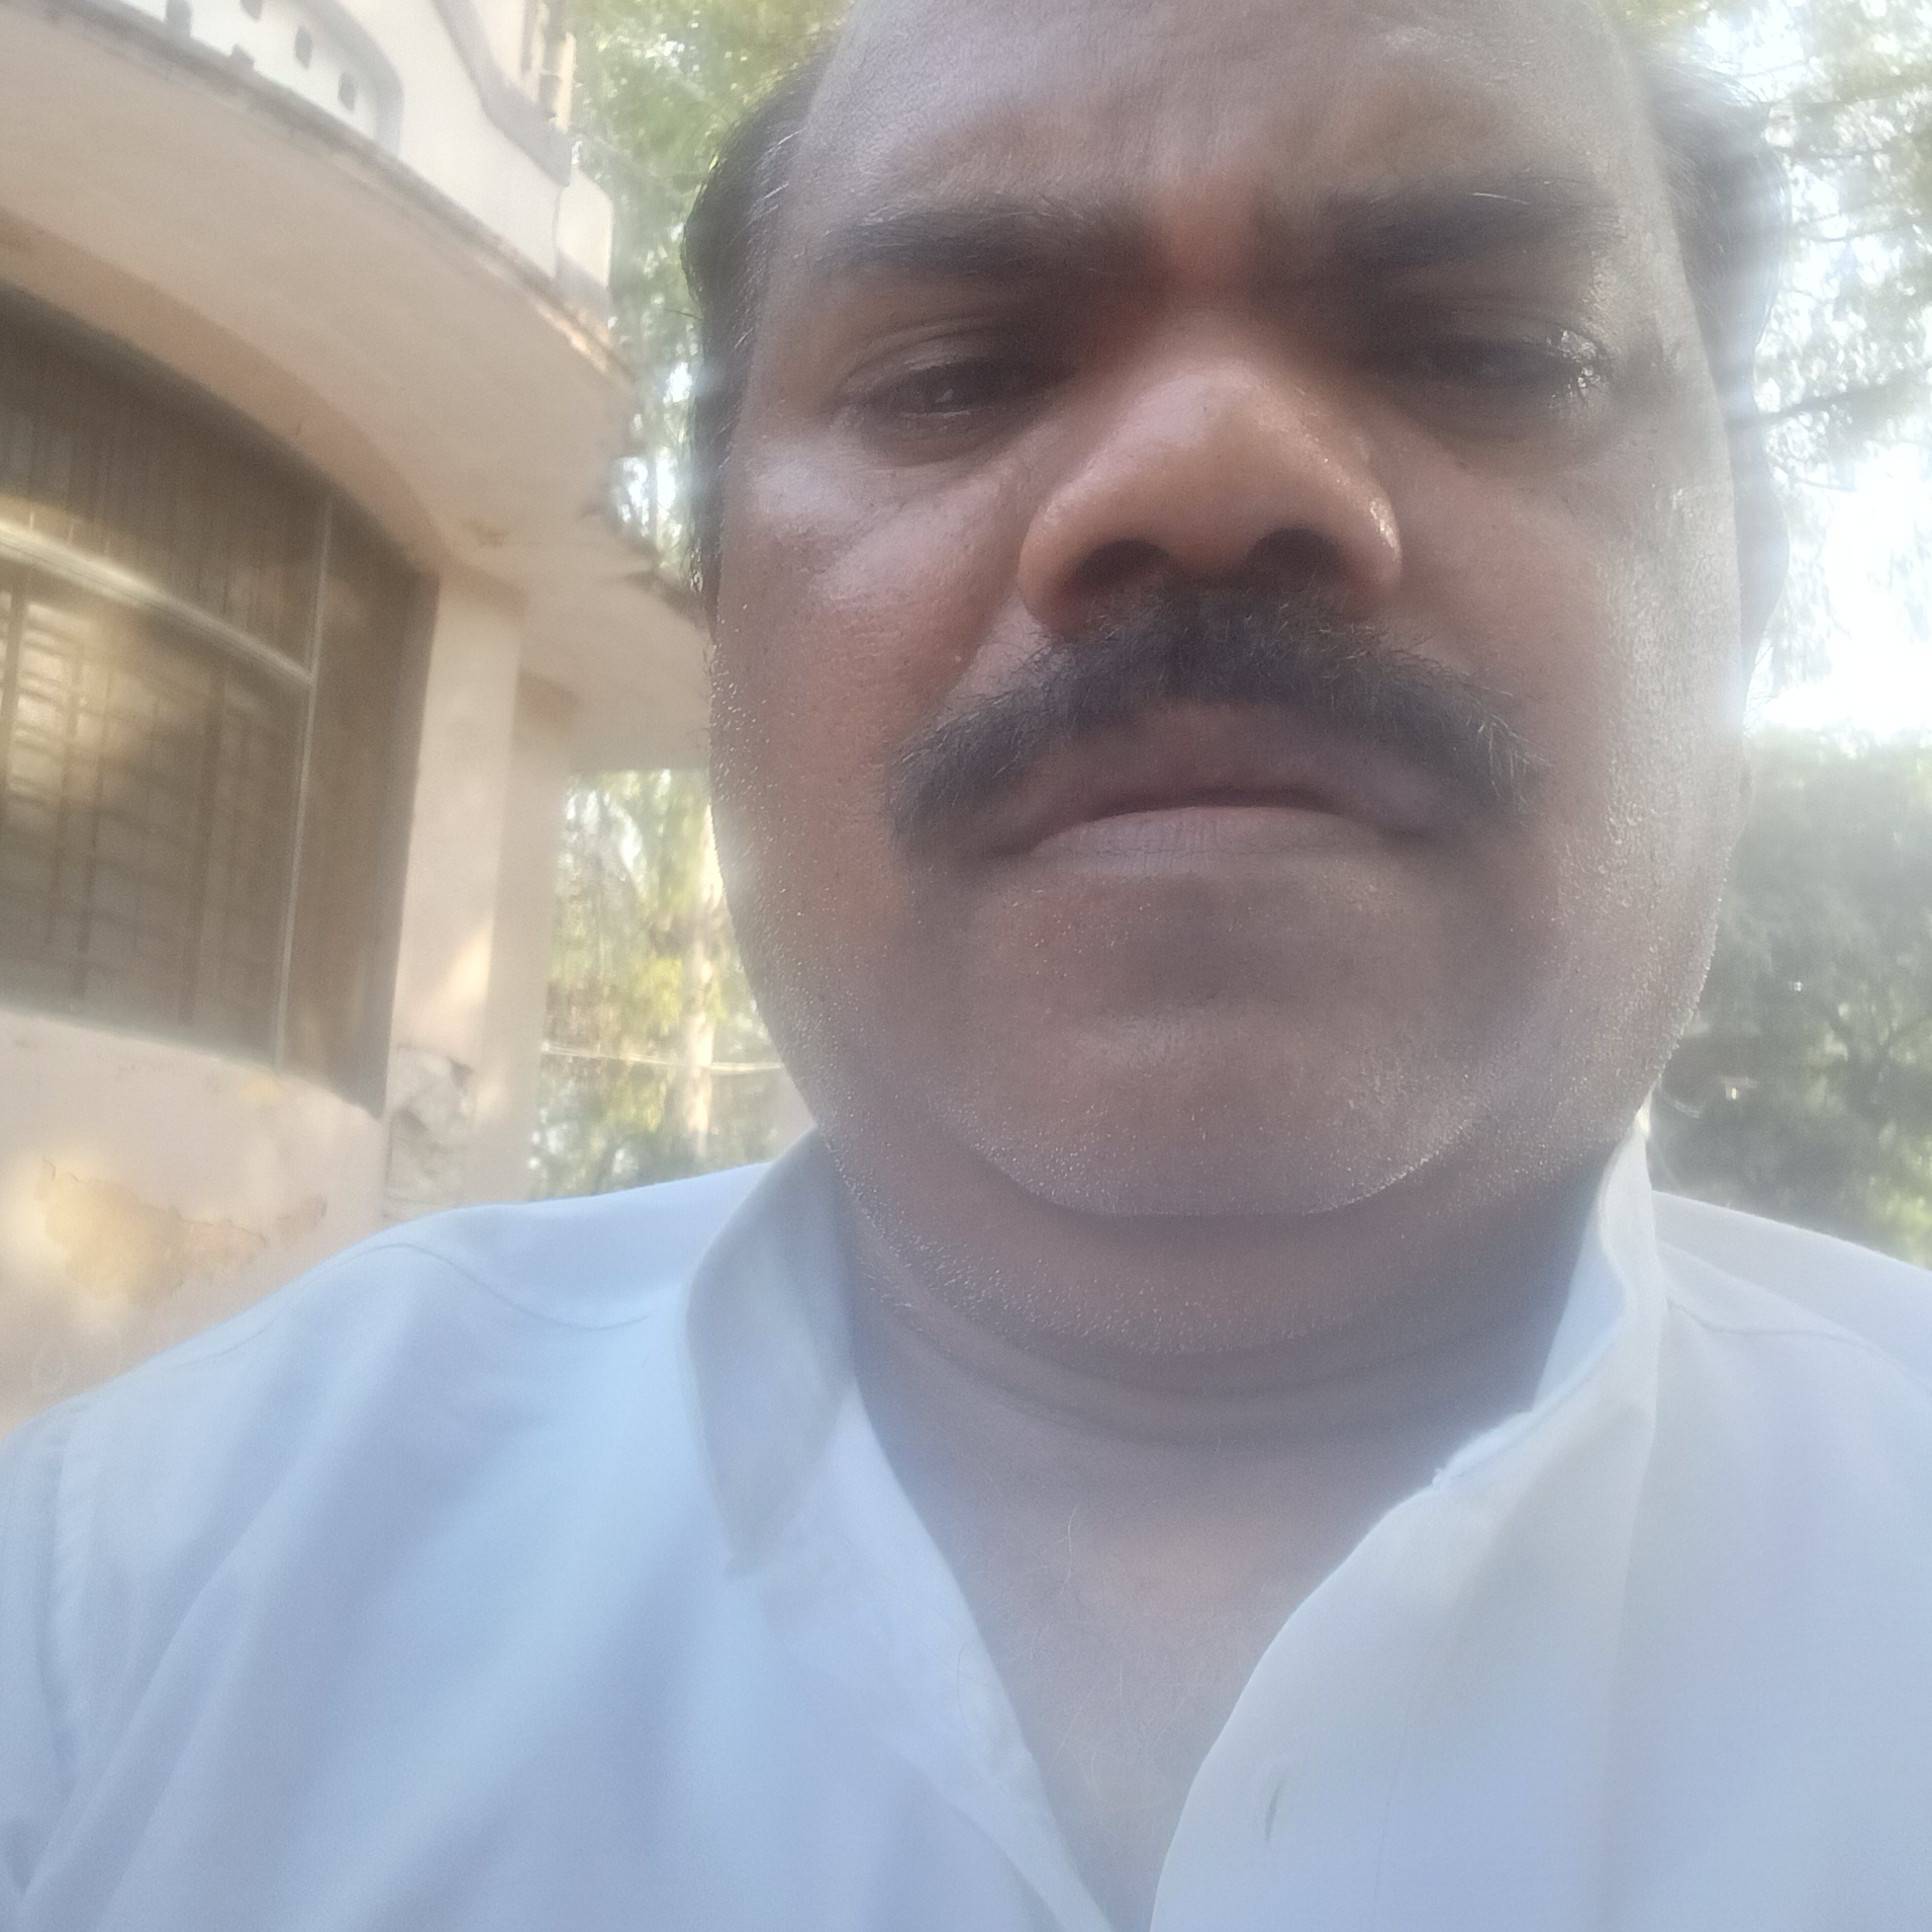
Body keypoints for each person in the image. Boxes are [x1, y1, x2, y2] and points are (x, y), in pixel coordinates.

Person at [3, 0, 1929, 1925]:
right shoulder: (120, 1617)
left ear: (1744, 589)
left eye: (1493, 351)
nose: (1203, 469)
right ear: (725, 617)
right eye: (954, 374)